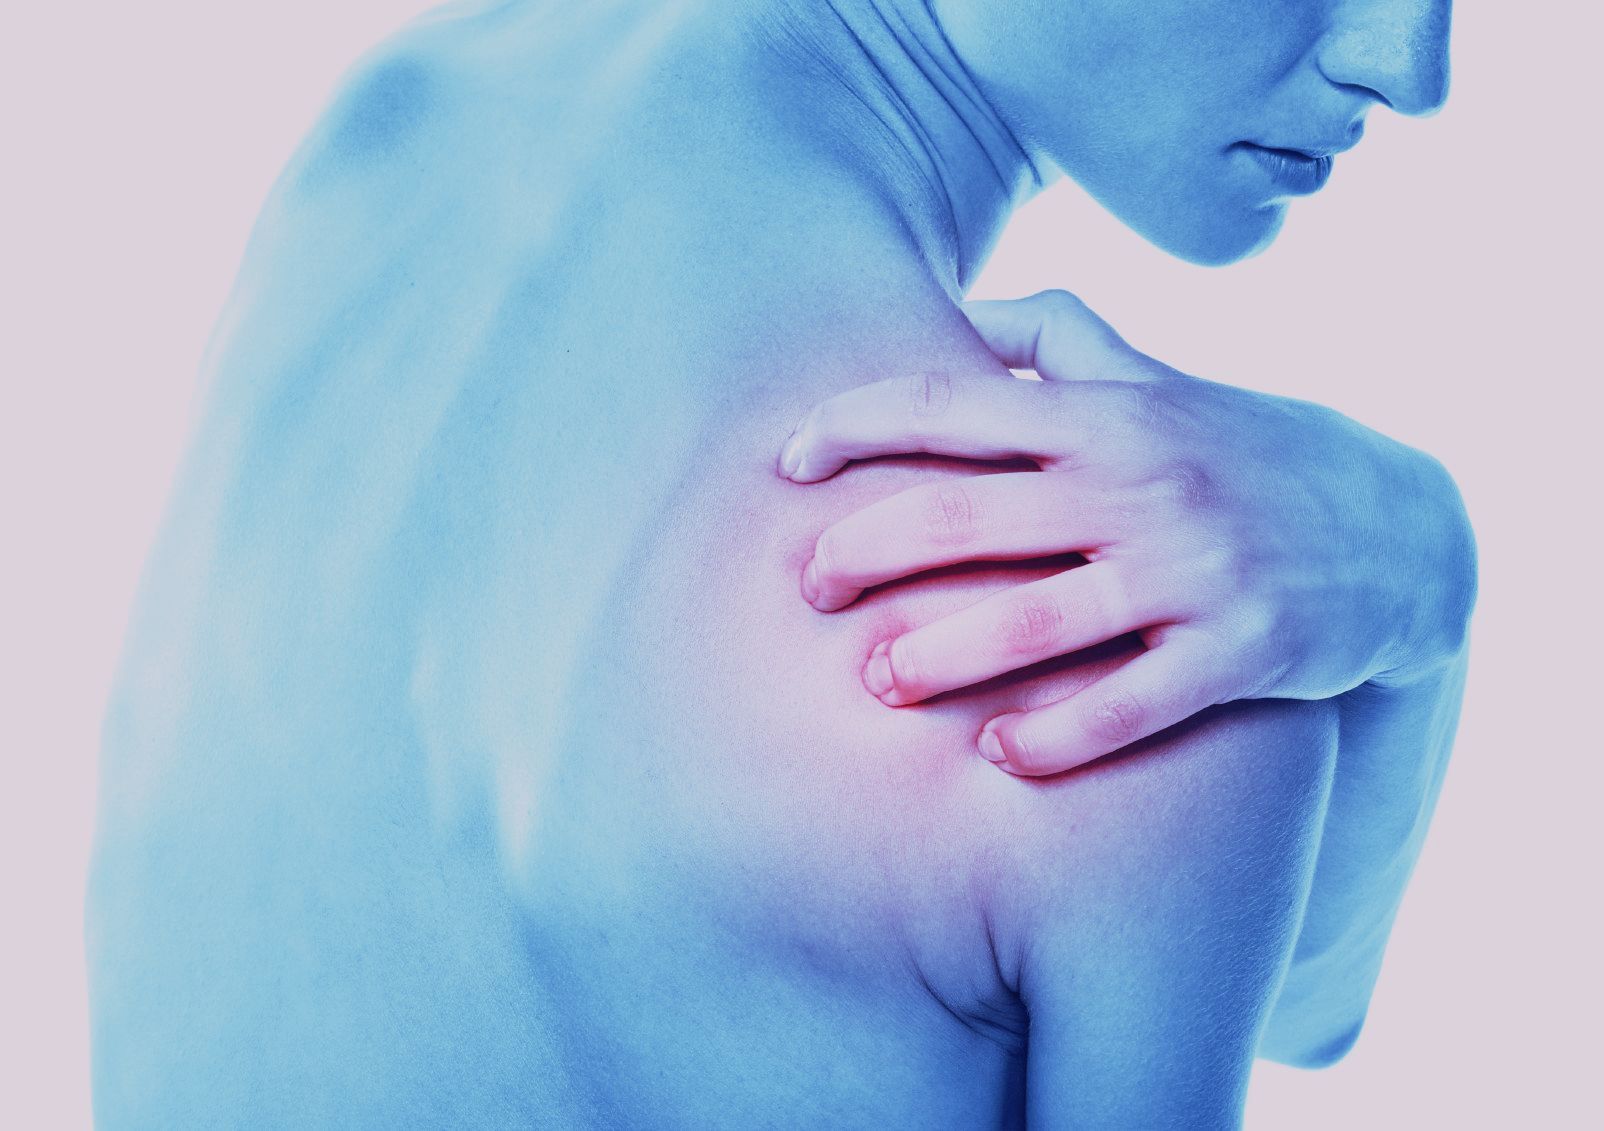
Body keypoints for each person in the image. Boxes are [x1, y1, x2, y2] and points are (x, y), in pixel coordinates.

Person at [87, 0, 1471, 1126]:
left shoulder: (381, 128)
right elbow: (1309, 1004)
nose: (1409, 69)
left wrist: (1418, 572)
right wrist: (1422, 580)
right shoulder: (1105, 697)